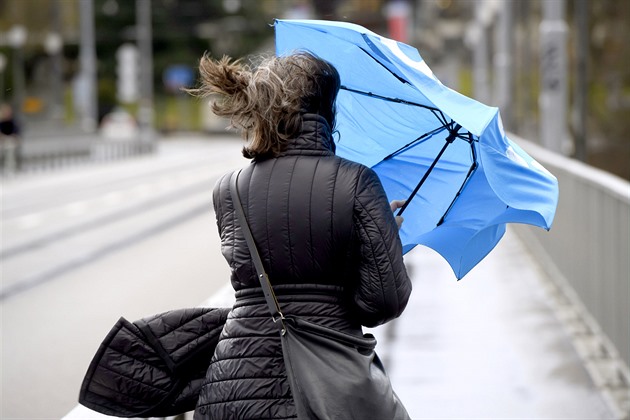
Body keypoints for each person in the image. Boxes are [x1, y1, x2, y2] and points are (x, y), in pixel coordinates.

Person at [190, 52, 412, 419]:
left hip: (232, 388)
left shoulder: (228, 190)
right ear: (328, 110)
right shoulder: (356, 182)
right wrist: (384, 242)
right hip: (326, 390)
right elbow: (381, 304)